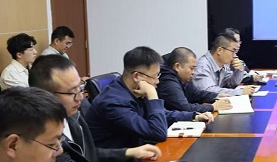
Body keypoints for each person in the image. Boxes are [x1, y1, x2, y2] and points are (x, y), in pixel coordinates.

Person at [29, 55, 186, 162]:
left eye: (80, 88)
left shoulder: (72, 114)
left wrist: (129, 152)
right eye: (72, 92)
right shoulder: (44, 136)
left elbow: (88, 156)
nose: (80, 98)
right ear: (47, 96)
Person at [85, 46, 213, 148]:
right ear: (136, 76)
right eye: (155, 76)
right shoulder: (114, 103)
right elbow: (158, 133)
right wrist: (152, 94)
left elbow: (160, 114)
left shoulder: (132, 89)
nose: (157, 81)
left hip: (138, 153)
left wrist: (194, 116)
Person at [158, 48, 232, 114]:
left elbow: (196, 94)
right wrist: (212, 107)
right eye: (191, 68)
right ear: (177, 66)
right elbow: (184, 108)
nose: (193, 72)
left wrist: (216, 95)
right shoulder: (168, 82)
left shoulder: (183, 77)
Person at [193, 34, 258, 96]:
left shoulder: (223, 64)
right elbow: (209, 90)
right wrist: (240, 92)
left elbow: (231, 83)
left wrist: (239, 70)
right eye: (233, 51)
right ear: (219, 50)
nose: (235, 55)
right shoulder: (203, 65)